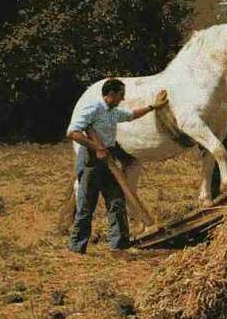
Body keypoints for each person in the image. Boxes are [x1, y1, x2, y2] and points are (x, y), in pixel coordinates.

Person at [65, 78, 167, 254]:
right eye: (121, 95)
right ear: (111, 94)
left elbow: (131, 115)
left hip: (108, 158)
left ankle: (119, 245)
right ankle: (76, 247)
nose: (123, 98)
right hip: (91, 159)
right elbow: (72, 132)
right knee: (87, 203)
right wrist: (97, 147)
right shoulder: (93, 108)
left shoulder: (113, 112)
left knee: (117, 200)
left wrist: (153, 107)